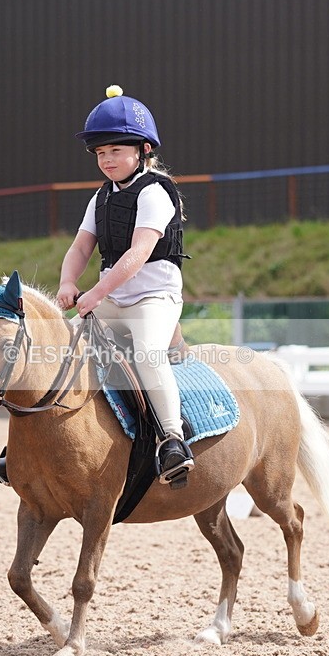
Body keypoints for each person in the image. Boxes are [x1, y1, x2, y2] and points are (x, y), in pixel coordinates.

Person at [59, 85, 194, 484]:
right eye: (101, 153)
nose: (107, 160)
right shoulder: (99, 198)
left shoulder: (156, 193)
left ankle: (173, 439)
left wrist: (94, 293)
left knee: (149, 355)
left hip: (153, 298)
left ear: (143, 151)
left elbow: (138, 253)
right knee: (58, 351)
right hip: (111, 298)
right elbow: (81, 247)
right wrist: (68, 281)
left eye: (116, 150)